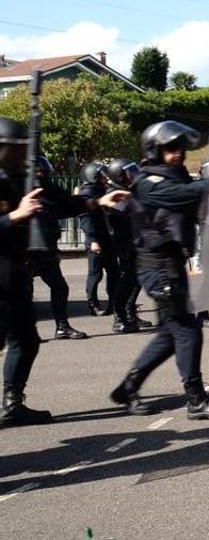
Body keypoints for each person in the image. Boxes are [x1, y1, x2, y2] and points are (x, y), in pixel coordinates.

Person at [0, 117, 130, 425]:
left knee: (26, 339)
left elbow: (63, 204)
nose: (23, 155)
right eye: (15, 149)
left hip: (15, 272)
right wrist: (15, 217)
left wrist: (98, 200)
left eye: (24, 149)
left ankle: (12, 403)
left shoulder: (27, 178)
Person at [107, 120, 209, 420]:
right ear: (154, 150)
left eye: (179, 148)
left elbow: (196, 199)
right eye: (169, 148)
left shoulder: (174, 178)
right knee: (188, 332)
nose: (176, 154)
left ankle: (128, 387)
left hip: (170, 266)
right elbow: (182, 195)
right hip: (158, 268)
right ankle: (196, 400)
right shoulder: (148, 183)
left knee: (170, 334)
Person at [27, 157, 88, 340]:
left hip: (46, 251)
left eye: (43, 171)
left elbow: (68, 205)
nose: (41, 175)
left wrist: (93, 202)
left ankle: (62, 327)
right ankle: (28, 332)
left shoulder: (49, 191)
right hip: (24, 253)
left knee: (60, 287)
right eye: (37, 171)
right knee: (24, 292)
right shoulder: (17, 189)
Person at [103, 158, 150, 333]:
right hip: (125, 247)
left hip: (134, 244)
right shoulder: (116, 195)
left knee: (135, 281)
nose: (134, 175)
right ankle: (119, 318)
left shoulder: (127, 192)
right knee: (124, 284)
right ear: (120, 176)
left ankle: (130, 314)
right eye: (130, 172)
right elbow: (121, 223)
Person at [78, 162, 117, 318]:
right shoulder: (88, 193)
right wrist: (93, 240)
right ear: (92, 176)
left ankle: (113, 301)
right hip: (96, 240)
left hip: (106, 238)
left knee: (113, 272)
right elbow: (86, 219)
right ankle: (92, 304)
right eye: (101, 175)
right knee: (95, 274)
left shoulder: (101, 191)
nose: (105, 178)